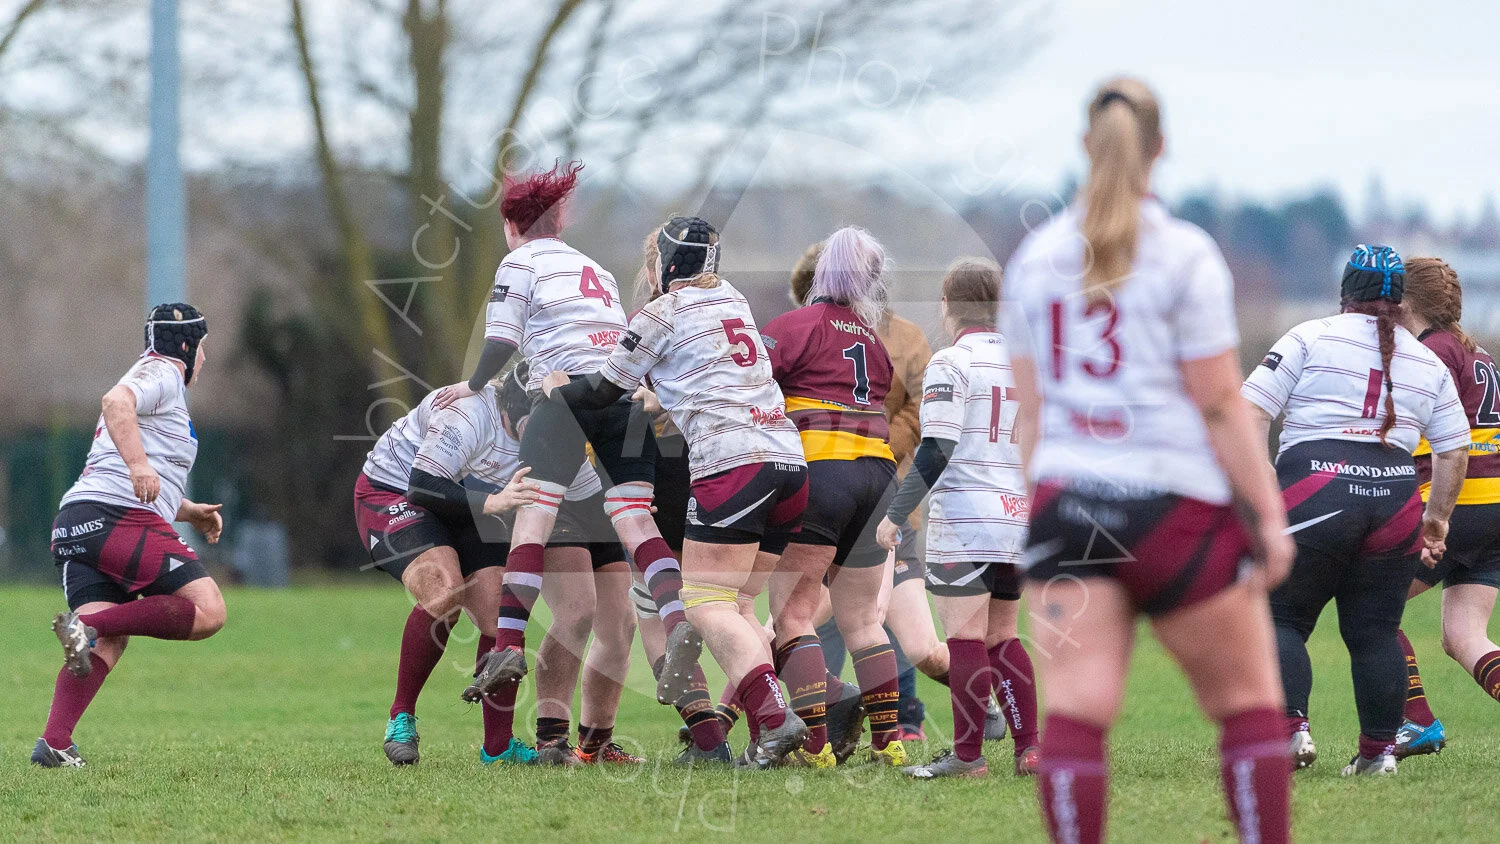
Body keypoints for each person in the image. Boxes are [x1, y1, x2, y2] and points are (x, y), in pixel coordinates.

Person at [1008, 79, 1294, 843]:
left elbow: (1031, 412)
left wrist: (1036, 507)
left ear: (1084, 144)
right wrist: (1267, 516)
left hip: (1069, 505)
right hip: (1175, 506)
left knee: (1074, 711)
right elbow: (1218, 401)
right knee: (1246, 703)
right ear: (1160, 149)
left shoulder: (1034, 259)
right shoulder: (1185, 253)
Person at [546, 217, 812, 768]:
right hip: (788, 460)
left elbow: (601, 392)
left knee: (705, 602)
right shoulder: (734, 299)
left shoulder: (660, 313)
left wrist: (554, 386)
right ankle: (767, 731)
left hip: (733, 465)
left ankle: (773, 717)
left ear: (660, 266)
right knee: (738, 606)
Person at [432, 161, 693, 708]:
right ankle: (677, 622)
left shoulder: (518, 262)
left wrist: (474, 382)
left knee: (534, 511)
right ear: (559, 223)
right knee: (637, 524)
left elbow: (502, 342)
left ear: (511, 225)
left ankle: (507, 643)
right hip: (623, 399)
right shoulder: (595, 268)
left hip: (566, 398)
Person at [1245, 245, 1470, 776]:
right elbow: (1453, 449)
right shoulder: (1425, 359)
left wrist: (1260, 497)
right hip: (1395, 501)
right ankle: (1377, 756)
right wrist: (1435, 523)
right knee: (1374, 631)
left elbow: (1250, 412)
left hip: (1315, 488)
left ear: (1345, 292)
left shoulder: (1309, 335)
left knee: (1282, 617)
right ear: (1398, 299)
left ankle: (1291, 731)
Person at [35, 304, 228, 768]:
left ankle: (55, 744)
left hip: (78, 522)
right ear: (186, 346)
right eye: (201, 347)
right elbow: (114, 402)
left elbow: (133, 475)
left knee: (106, 644)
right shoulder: (162, 371)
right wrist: (140, 466)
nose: (203, 358)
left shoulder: (160, 389)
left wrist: (188, 511)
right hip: (109, 517)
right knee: (209, 612)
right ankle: (90, 626)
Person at [875, 257, 1040, 778]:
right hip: (1019, 517)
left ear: (948, 304)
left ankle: (968, 757)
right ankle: (1030, 751)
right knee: (1004, 637)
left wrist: (896, 514)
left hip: (968, 517)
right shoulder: (1023, 362)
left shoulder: (952, 361)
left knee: (966, 640)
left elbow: (938, 445)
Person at [790, 242, 953, 741]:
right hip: (827, 489)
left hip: (888, 489)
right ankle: (828, 718)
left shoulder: (904, 337)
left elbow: (921, 409)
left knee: (880, 616)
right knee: (828, 617)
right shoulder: (808, 332)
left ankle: (904, 719)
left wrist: (875, 444)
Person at [759, 226, 907, 767]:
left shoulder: (791, 327)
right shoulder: (874, 340)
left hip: (823, 474)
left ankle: (816, 748)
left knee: (793, 616)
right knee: (865, 620)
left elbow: (750, 386)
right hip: (880, 477)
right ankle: (889, 743)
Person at [354, 377, 545, 766]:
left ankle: (499, 747)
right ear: (509, 410)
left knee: (502, 615)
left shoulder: (550, 414)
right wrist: (492, 502)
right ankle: (400, 718)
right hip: (394, 492)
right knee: (446, 592)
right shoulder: (468, 413)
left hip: (469, 498)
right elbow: (422, 486)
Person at [1393, 258, 1500, 758]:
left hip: (1454, 505)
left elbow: (1410, 432)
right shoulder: (1473, 352)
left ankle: (1415, 723)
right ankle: (1415, 723)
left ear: (1405, 302)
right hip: (1494, 507)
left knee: (1369, 607)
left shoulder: (1428, 353)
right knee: (1464, 636)